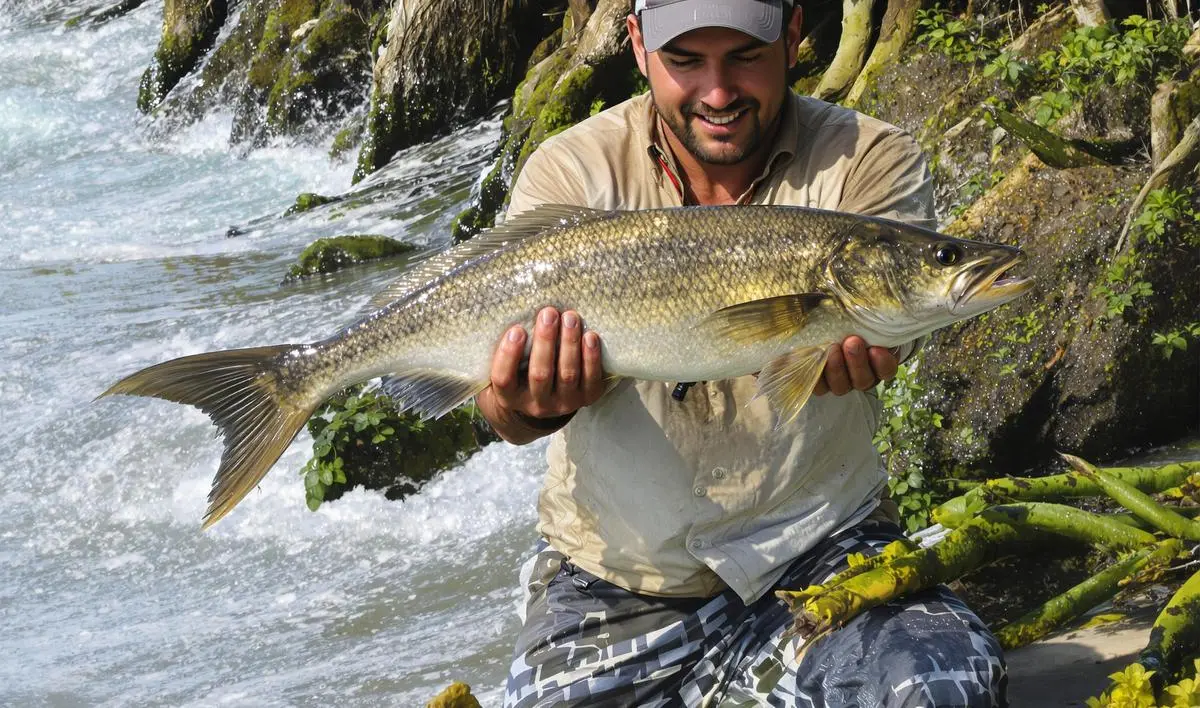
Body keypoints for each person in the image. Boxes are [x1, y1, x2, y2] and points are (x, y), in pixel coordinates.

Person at [475, 0, 1008, 705]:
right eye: (686, 61)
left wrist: (867, 351)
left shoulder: (870, 159)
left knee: (943, 690)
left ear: (792, 36)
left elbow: (889, 332)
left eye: (745, 56)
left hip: (821, 546)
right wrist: (527, 402)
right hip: (616, 577)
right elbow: (500, 417)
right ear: (636, 45)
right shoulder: (570, 174)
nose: (718, 93)